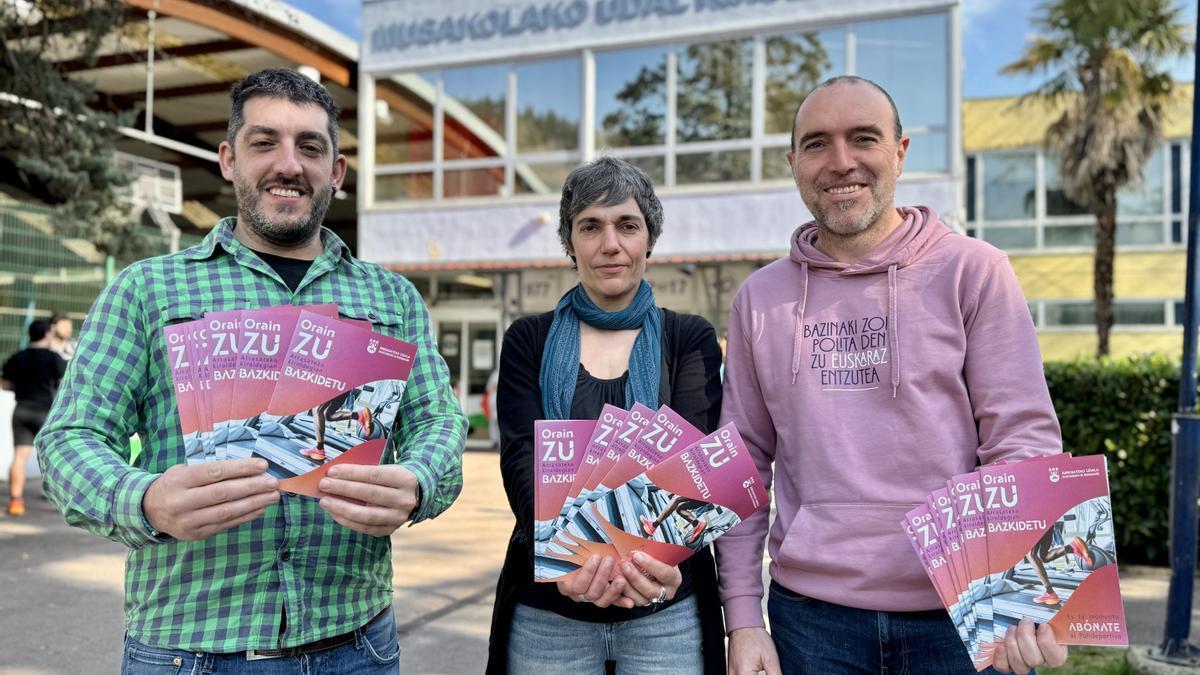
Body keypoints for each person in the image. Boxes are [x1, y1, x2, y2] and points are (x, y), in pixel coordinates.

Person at [36, 68, 467, 673]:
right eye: (264, 143)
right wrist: (144, 499)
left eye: (310, 147)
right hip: (190, 650)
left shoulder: (391, 300)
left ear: (336, 174)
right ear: (229, 160)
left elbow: (440, 422)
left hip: (356, 645)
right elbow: (69, 439)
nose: (288, 164)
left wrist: (420, 480)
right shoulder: (146, 289)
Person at [716, 75, 1069, 675]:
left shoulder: (974, 271)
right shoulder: (760, 298)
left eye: (864, 139)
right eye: (817, 144)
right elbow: (743, 466)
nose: (841, 162)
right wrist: (744, 620)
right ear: (794, 162)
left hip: (966, 614)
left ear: (901, 153)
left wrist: (1025, 598)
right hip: (811, 621)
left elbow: (1022, 441)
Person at [487, 157, 726, 674]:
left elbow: (690, 464)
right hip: (549, 609)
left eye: (627, 225)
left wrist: (653, 562)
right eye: (590, 226)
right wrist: (566, 564)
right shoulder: (529, 340)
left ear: (649, 239)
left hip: (664, 603)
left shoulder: (690, 339)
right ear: (570, 242)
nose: (610, 243)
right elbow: (522, 458)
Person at [2, 319, 67, 515]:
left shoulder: (17, 357)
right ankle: (60, 503)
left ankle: (15, 502)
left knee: (20, 457)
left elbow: (5, 384)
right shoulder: (54, 358)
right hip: (45, 413)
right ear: (48, 334)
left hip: (21, 410)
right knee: (54, 459)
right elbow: (66, 385)